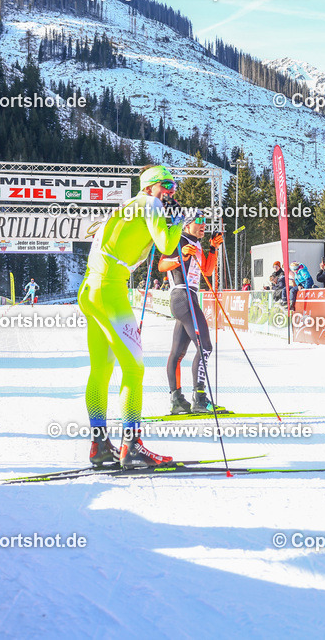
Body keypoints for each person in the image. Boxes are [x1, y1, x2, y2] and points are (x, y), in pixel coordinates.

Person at [78, 165, 184, 469]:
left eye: (174, 186)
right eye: (166, 186)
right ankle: (132, 445)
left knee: (101, 369)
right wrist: (175, 221)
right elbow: (167, 246)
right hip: (109, 290)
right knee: (134, 369)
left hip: (91, 289)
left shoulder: (128, 206)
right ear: (150, 187)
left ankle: (99, 444)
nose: (171, 192)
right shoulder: (150, 204)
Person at [159, 210, 224, 415]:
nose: (203, 225)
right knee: (205, 347)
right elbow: (162, 265)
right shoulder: (178, 239)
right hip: (182, 296)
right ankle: (200, 399)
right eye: (199, 221)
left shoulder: (197, 244)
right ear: (187, 225)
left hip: (189, 298)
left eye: (205, 221)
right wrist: (181, 256)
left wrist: (213, 248)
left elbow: (206, 270)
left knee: (178, 353)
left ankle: (177, 400)